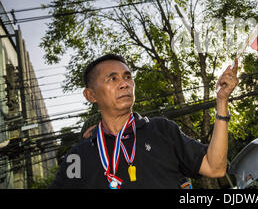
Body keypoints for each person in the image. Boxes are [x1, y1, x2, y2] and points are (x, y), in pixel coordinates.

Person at [49, 54, 239, 189]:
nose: (124, 83)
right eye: (112, 78)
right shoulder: (78, 157)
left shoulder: (162, 129)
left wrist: (221, 102)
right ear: (90, 95)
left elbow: (215, 168)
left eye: (127, 77)